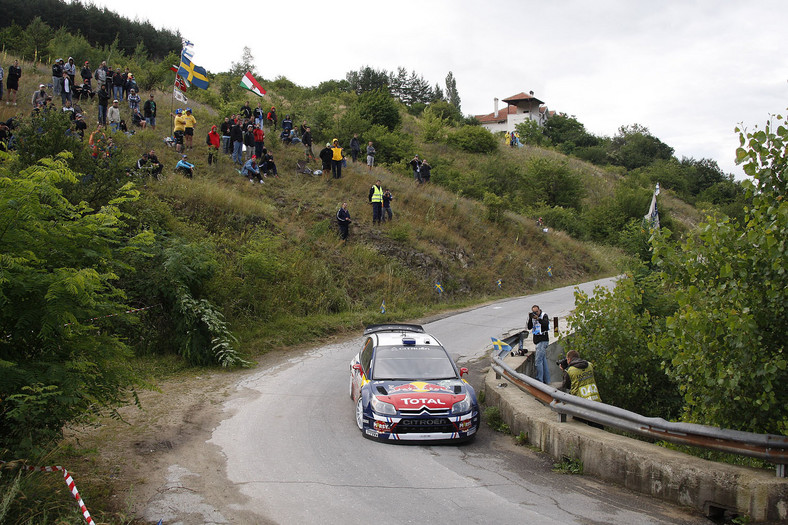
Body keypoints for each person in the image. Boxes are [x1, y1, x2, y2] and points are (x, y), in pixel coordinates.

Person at [527, 305, 551, 384]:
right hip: (537, 340)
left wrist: (538, 318)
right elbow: (529, 327)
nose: (535, 313)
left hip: (543, 340)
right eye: (534, 312)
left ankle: (539, 380)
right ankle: (547, 380)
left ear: (539, 310)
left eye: (536, 312)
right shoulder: (533, 318)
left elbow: (545, 324)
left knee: (538, 361)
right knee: (543, 361)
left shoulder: (544, 315)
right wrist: (530, 318)